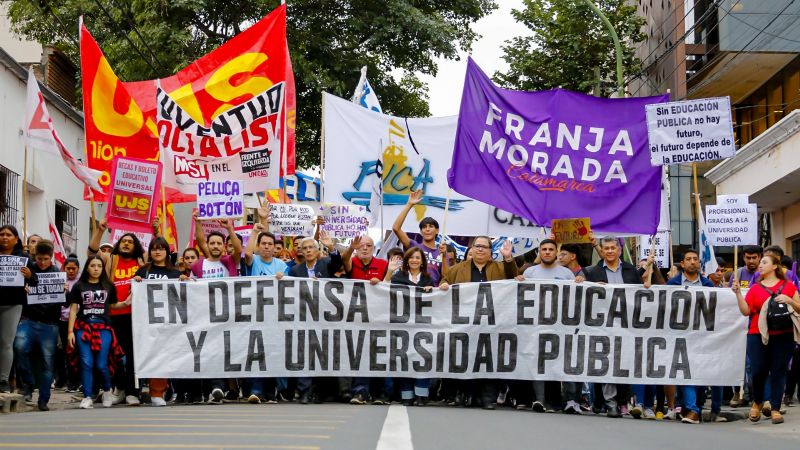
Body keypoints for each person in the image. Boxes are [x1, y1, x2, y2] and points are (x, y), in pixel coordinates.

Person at [439, 237, 517, 410]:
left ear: (490, 251)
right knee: (464, 358)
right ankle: (464, 394)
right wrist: (444, 285)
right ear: (471, 249)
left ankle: (487, 397)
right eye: (477, 246)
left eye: (485, 247)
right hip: (465, 324)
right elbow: (444, 280)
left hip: (492, 323)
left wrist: (508, 258)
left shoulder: (500, 267)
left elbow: (513, 277)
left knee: (488, 360)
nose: (481, 250)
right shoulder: (458, 269)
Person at [733, 253, 800, 424]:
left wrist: (789, 301)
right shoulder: (755, 288)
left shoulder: (789, 286)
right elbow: (746, 312)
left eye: (764, 262)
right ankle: (757, 402)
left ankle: (775, 408)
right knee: (758, 370)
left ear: (775, 266)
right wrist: (738, 294)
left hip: (784, 335)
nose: (760, 265)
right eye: (760, 262)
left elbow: (799, 309)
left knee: (779, 371)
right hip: (757, 333)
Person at [518, 239, 583, 414]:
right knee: (538, 361)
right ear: (539, 252)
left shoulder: (567, 273)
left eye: (550, 249)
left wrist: (579, 281)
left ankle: (569, 400)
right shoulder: (530, 272)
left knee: (563, 361)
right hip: (536, 325)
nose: (547, 252)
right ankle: (540, 400)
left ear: (556, 252)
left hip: (561, 326)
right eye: (544, 249)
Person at [88, 217, 147, 406]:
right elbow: (92, 251)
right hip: (113, 314)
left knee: (133, 355)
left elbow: (160, 251)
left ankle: (132, 392)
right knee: (113, 354)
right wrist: (100, 230)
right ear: (118, 245)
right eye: (123, 241)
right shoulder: (110, 259)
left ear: (136, 245)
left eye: (130, 241)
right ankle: (119, 387)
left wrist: (155, 228)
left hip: (136, 316)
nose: (127, 244)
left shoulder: (142, 261)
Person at [583, 237, 644, 418]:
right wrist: (587, 285)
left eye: (612, 248)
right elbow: (580, 291)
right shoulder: (592, 272)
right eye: (606, 248)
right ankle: (610, 402)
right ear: (601, 251)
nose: (610, 251)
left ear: (618, 250)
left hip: (626, 325)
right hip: (603, 326)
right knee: (607, 362)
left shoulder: (630, 270)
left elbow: (640, 294)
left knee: (623, 363)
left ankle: (622, 401)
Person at [190, 219, 242, 404]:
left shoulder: (230, 261)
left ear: (224, 246)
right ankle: (216, 387)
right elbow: (190, 287)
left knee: (228, 352)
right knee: (212, 351)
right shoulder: (198, 265)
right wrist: (197, 223)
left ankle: (231, 388)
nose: (215, 246)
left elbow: (238, 248)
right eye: (212, 243)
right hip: (207, 316)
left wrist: (229, 228)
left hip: (229, 316)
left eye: (219, 243)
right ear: (207, 245)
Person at [665, 249, 719, 424]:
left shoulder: (708, 285)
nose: (692, 262)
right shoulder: (672, 284)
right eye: (688, 259)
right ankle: (693, 409)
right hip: (680, 335)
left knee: (700, 372)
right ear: (682, 264)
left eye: (695, 259)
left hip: (702, 336)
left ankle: (695, 406)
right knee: (684, 371)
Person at [289, 233, 343, 404]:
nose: (308, 250)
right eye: (304, 248)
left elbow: (338, 264)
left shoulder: (326, 263)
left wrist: (332, 247)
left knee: (321, 354)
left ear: (317, 250)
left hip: (324, 317)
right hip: (303, 317)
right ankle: (304, 391)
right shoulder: (295, 270)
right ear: (301, 252)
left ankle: (318, 391)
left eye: (311, 247)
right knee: (304, 354)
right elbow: (289, 291)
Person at [132, 237, 186, 406]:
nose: (157, 251)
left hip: (169, 322)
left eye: (161, 248)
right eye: (154, 248)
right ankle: (150, 391)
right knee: (152, 355)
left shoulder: (175, 273)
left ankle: (162, 390)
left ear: (167, 252)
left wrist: (185, 282)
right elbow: (134, 293)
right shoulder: (143, 271)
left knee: (165, 357)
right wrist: (136, 282)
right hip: (148, 322)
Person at [67, 255, 125, 409]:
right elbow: (73, 310)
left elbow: (112, 305)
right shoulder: (79, 286)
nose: (96, 269)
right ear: (87, 267)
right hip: (83, 327)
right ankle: (87, 397)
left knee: (101, 364)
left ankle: (107, 390)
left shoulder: (108, 285)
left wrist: (126, 303)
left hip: (103, 328)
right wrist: (70, 332)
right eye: (93, 265)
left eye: (99, 266)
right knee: (86, 362)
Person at [13, 240, 63, 411]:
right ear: (35, 257)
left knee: (48, 363)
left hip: (50, 324)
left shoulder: (57, 273)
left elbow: (66, 302)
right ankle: (28, 383)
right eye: (39, 259)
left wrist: (64, 291)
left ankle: (44, 399)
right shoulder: (28, 270)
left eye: (45, 259)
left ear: (51, 258)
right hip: (29, 319)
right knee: (19, 347)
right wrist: (23, 288)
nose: (42, 262)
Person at [342, 235, 389, 405]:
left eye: (368, 245)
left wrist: (382, 283)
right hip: (356, 317)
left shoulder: (383, 265)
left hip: (378, 317)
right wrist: (350, 249)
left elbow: (389, 285)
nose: (364, 248)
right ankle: (360, 391)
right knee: (360, 355)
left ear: (373, 248)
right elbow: (345, 260)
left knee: (378, 354)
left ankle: (379, 392)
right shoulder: (352, 261)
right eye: (361, 245)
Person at [390, 247, 435, 406]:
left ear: (422, 261)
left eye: (418, 257)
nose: (415, 260)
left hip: (422, 326)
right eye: (412, 257)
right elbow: (386, 292)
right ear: (407, 260)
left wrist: (433, 291)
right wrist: (389, 272)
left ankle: (422, 394)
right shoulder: (398, 277)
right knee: (404, 358)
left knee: (423, 358)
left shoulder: (428, 279)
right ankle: (407, 395)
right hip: (402, 325)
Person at [0, 225, 37, 394]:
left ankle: (3, 380)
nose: (4, 237)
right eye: (1, 234)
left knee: (6, 342)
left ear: (16, 239)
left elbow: (35, 281)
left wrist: (29, 275)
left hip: (12, 304)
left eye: (8, 235)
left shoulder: (23, 257)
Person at [392, 190, 448, 285]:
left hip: (431, 292)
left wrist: (444, 256)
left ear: (437, 230)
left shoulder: (442, 251)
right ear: (420, 231)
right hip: (411, 288)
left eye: (431, 226)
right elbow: (396, 228)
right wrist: (409, 204)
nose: (427, 229)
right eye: (424, 227)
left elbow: (446, 276)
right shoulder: (413, 246)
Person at [55, 256, 81, 392]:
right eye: (68, 268)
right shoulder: (59, 279)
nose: (71, 271)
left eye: (73, 268)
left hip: (78, 321)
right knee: (66, 352)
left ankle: (77, 381)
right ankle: (69, 381)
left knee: (78, 352)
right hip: (62, 321)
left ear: (78, 269)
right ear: (64, 268)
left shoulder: (82, 281)